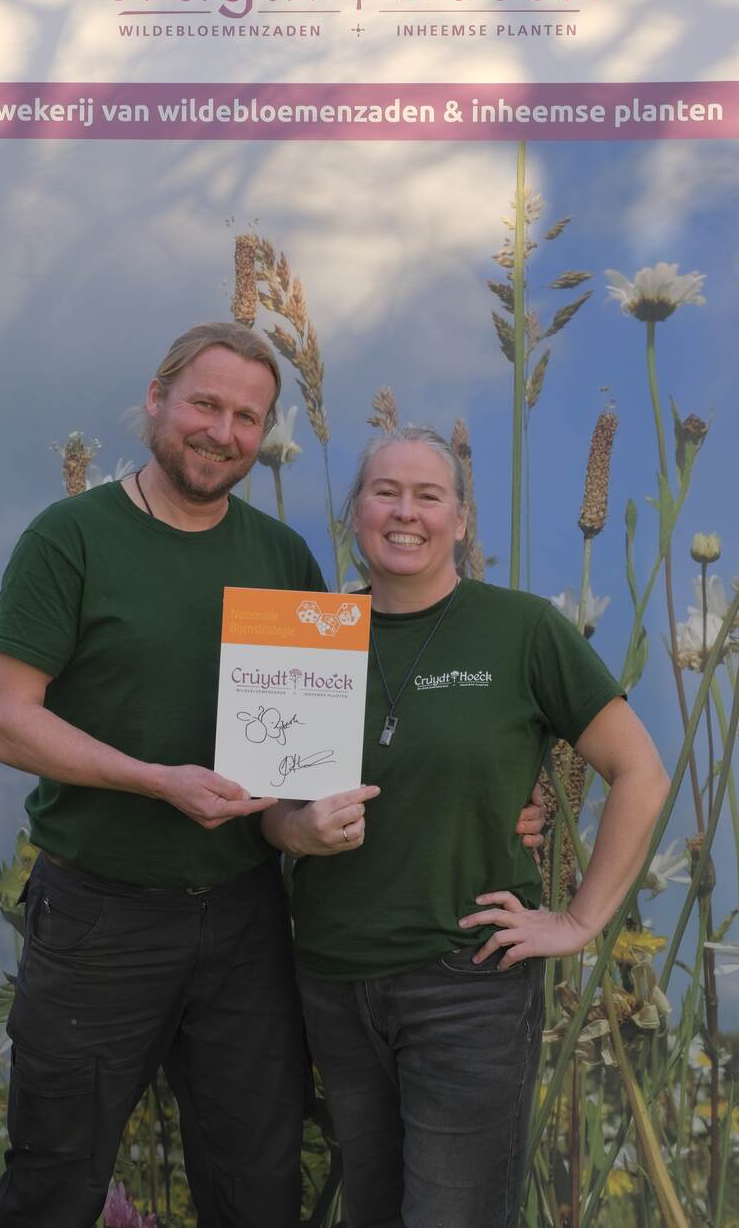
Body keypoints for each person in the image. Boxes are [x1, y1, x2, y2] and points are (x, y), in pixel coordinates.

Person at [0, 328, 544, 1228]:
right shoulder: (72, 537)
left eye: (248, 417)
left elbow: (348, 739)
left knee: (258, 1185)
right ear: (157, 398)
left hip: (245, 919)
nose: (223, 432)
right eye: (206, 404)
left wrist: (513, 796)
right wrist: (158, 780)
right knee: (55, 1180)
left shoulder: (285, 561)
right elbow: (4, 720)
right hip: (100, 919)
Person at [263, 426, 670, 1228]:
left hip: (466, 986)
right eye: (385, 493)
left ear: (461, 517)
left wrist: (580, 919)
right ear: (355, 513)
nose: (405, 513)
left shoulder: (521, 629)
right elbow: (264, 803)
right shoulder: (304, 636)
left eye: (428, 495)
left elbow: (641, 774)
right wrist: (292, 829)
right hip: (334, 983)